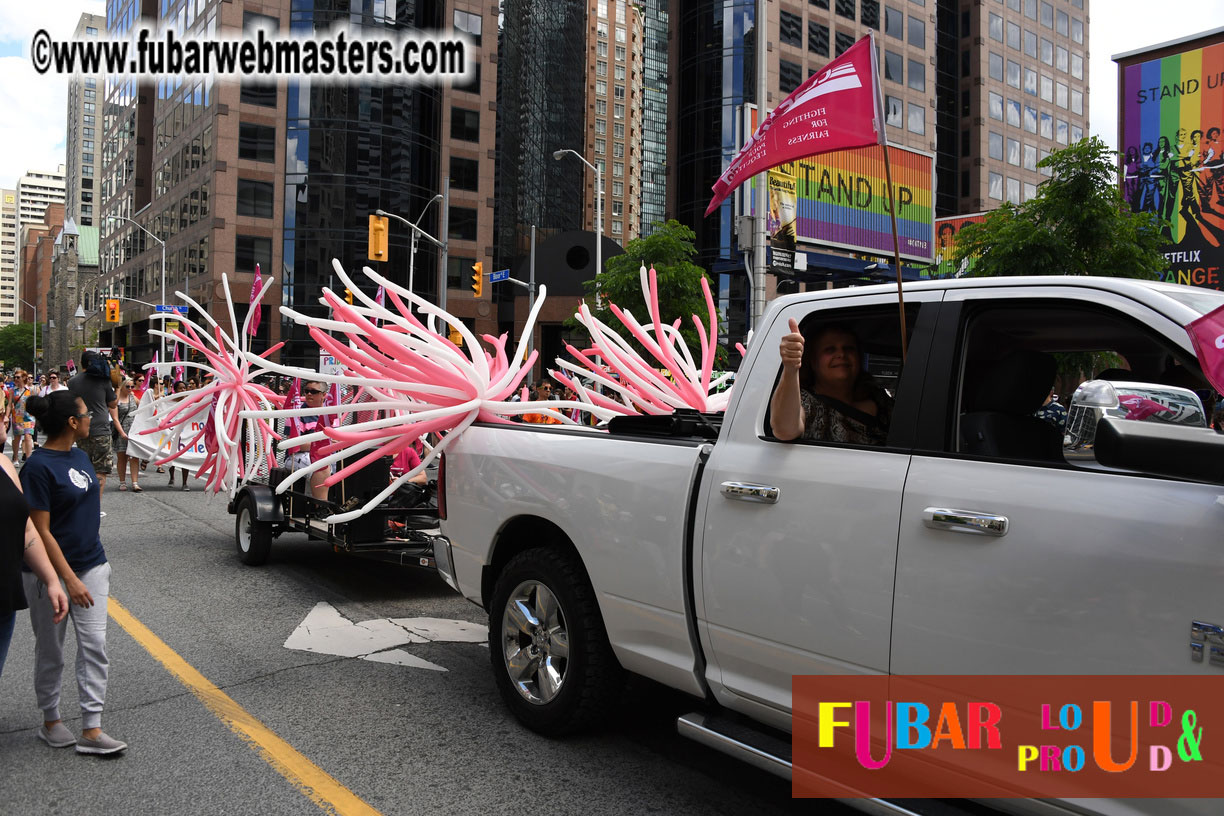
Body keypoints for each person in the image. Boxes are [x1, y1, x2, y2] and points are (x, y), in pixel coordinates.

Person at [21, 392, 127, 754]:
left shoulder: (81, 456)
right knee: (51, 650)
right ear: (71, 423)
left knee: (95, 646)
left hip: (93, 565)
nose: (90, 420)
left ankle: (92, 729)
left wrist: (90, 568)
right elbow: (40, 531)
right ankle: (51, 720)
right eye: (85, 415)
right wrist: (67, 579)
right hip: (48, 576)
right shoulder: (36, 468)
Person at [769, 319, 893, 445]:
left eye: (848, 348)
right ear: (813, 361)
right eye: (830, 350)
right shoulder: (806, 402)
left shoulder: (879, 397)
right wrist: (790, 367)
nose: (841, 354)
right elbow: (784, 430)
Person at [1, 451, 68, 677]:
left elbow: (26, 529)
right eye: (2, 414)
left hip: (3, 599)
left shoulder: (3, 463)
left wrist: (51, 580)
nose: (6, 419)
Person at [67, 351, 126, 497]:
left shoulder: (72, 382)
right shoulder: (103, 381)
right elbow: (113, 404)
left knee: (84, 468)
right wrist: (117, 388)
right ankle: (95, 506)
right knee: (100, 471)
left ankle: (84, 500)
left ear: (81, 364)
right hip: (101, 430)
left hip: (81, 429)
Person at [283, 380, 334, 500]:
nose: (309, 394)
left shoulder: (331, 415)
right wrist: (324, 445)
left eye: (314, 391)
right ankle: (321, 507)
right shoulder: (297, 414)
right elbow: (295, 445)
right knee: (320, 464)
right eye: (306, 391)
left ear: (324, 395)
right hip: (296, 456)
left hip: (328, 453)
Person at [114, 378, 142, 492]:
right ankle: (122, 482)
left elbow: (142, 410)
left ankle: (135, 483)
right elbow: (115, 418)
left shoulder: (133, 398)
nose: (130, 389)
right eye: (128, 387)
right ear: (122, 387)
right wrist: (122, 433)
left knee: (135, 456)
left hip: (133, 429)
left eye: (132, 386)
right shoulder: (117, 400)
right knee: (122, 457)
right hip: (122, 430)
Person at [167, 380, 192, 490]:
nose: (183, 390)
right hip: (171, 432)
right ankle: (172, 477)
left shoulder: (190, 402)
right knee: (171, 455)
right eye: (180, 388)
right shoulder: (168, 402)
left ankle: (185, 482)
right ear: (175, 390)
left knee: (185, 457)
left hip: (186, 434)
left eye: (184, 388)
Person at [9, 371, 36, 464]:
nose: (16, 379)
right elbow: (9, 405)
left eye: (18, 377)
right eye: (15, 377)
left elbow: (34, 403)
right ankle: (15, 457)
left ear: (24, 378)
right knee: (17, 437)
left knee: (28, 436)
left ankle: (29, 459)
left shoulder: (31, 390)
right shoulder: (13, 390)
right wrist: (6, 416)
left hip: (29, 416)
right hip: (17, 416)